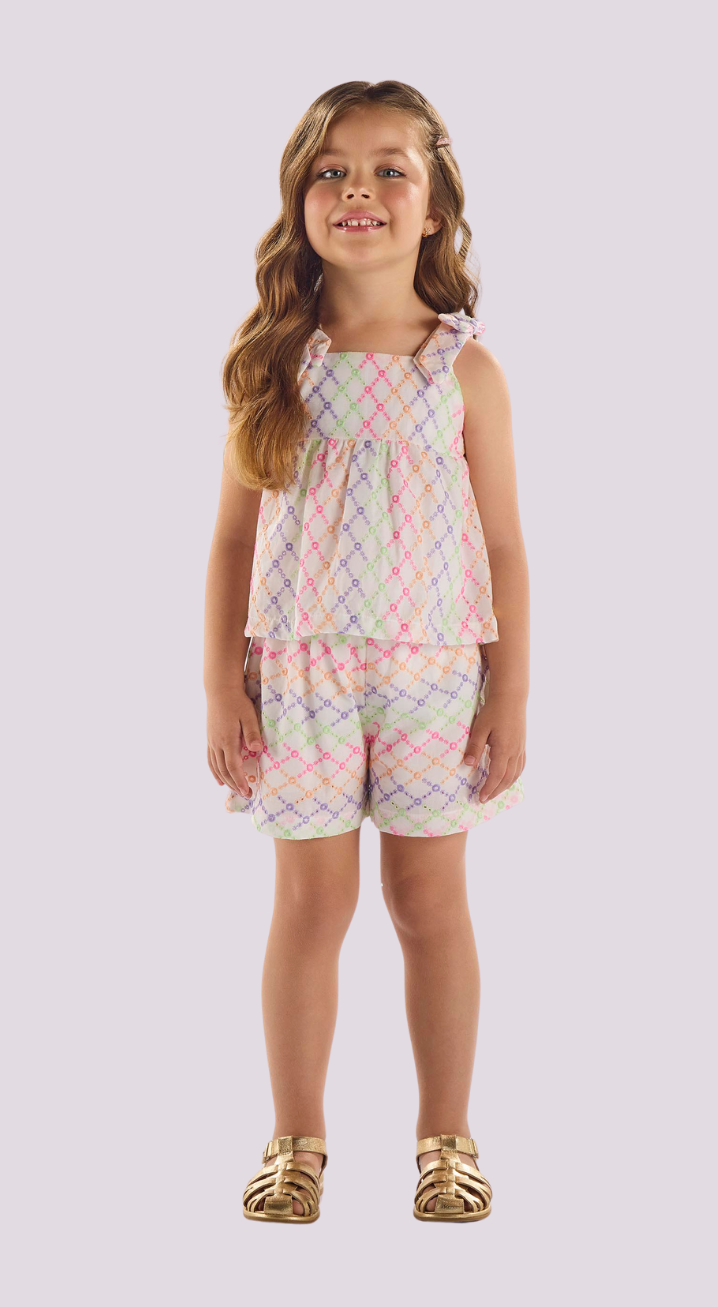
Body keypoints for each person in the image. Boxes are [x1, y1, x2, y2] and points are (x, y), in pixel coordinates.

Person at [204, 80, 529, 1224]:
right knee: (310, 905)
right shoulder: (276, 363)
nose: (361, 189)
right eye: (333, 170)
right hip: (299, 674)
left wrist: (510, 693)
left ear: (434, 208)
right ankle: (296, 1139)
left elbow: (505, 545)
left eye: (392, 168)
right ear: (299, 199)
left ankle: (448, 1139)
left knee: (430, 901)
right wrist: (221, 686)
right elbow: (233, 540)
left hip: (435, 671)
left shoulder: (464, 370)